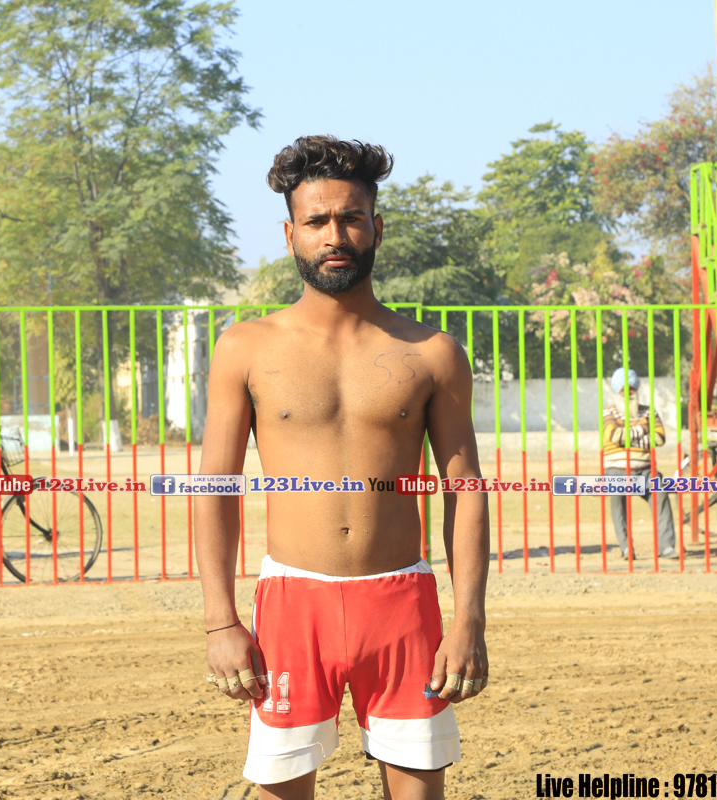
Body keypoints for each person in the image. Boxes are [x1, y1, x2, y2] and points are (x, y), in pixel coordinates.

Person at [196, 135, 488, 800]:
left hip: (404, 606)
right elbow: (216, 489)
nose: (335, 235)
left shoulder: (433, 353)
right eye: (317, 221)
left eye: (351, 218)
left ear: (377, 228)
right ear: (290, 235)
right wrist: (220, 621)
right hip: (291, 607)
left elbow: (465, 491)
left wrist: (468, 617)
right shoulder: (245, 347)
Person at [601, 368, 678, 562]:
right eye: (623, 390)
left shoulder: (649, 412)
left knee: (660, 494)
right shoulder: (609, 412)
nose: (628, 393)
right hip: (616, 471)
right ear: (617, 391)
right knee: (618, 504)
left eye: (631, 389)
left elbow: (659, 438)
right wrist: (644, 429)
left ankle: (666, 546)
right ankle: (626, 548)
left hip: (645, 471)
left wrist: (629, 437)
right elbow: (614, 436)